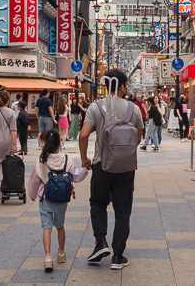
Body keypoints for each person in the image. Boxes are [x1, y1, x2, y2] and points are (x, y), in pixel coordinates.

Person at [79, 70, 144, 270]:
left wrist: (85, 159)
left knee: (98, 204)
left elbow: (83, 135)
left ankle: (100, 242)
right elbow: (138, 138)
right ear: (123, 86)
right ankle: (118, 255)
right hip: (126, 168)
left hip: (101, 165)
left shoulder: (95, 107)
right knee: (123, 209)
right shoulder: (133, 109)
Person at [32, 129, 87, 273]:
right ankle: (61, 253)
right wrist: (85, 169)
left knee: (47, 227)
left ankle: (48, 257)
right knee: (60, 226)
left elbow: (34, 180)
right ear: (58, 143)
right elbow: (76, 177)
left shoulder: (41, 160)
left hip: (45, 198)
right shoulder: (67, 159)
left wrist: (32, 194)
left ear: (44, 143)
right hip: (62, 199)